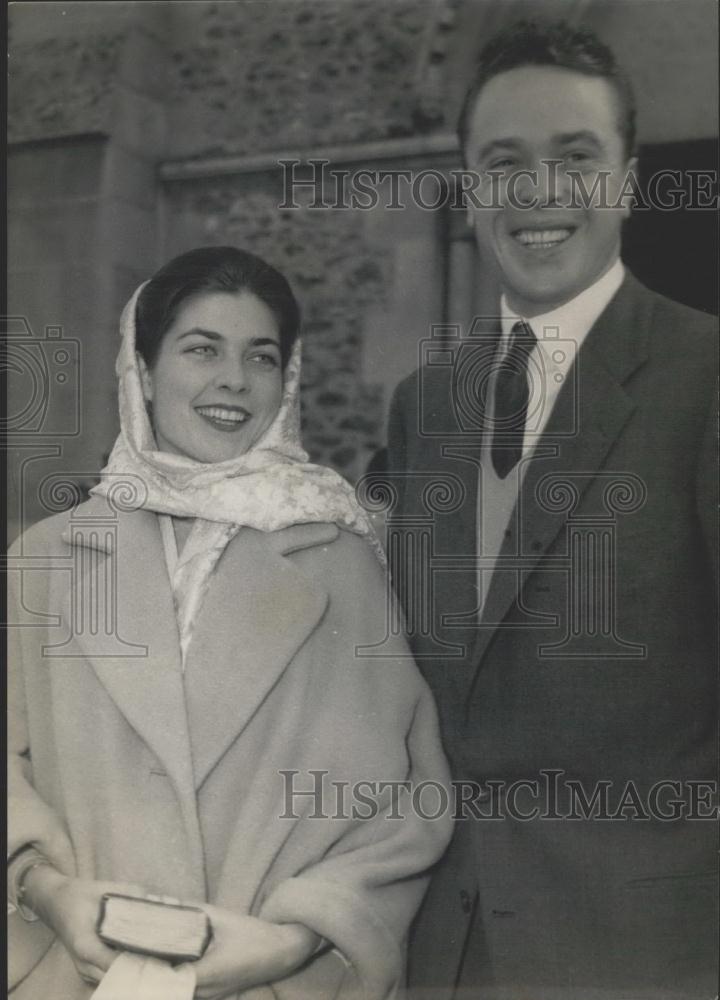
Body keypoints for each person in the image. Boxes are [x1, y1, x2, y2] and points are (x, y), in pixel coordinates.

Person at [7, 246, 453, 999]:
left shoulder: (338, 559)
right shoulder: (46, 557)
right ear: (142, 371)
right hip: (69, 972)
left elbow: (402, 799)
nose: (234, 382)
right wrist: (46, 891)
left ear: (288, 380)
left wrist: (293, 941)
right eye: (201, 349)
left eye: (262, 357)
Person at [386, 20, 718, 1000]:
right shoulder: (422, 406)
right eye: (505, 161)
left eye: (576, 157)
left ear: (627, 176)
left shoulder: (704, 373)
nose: (539, 192)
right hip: (443, 954)